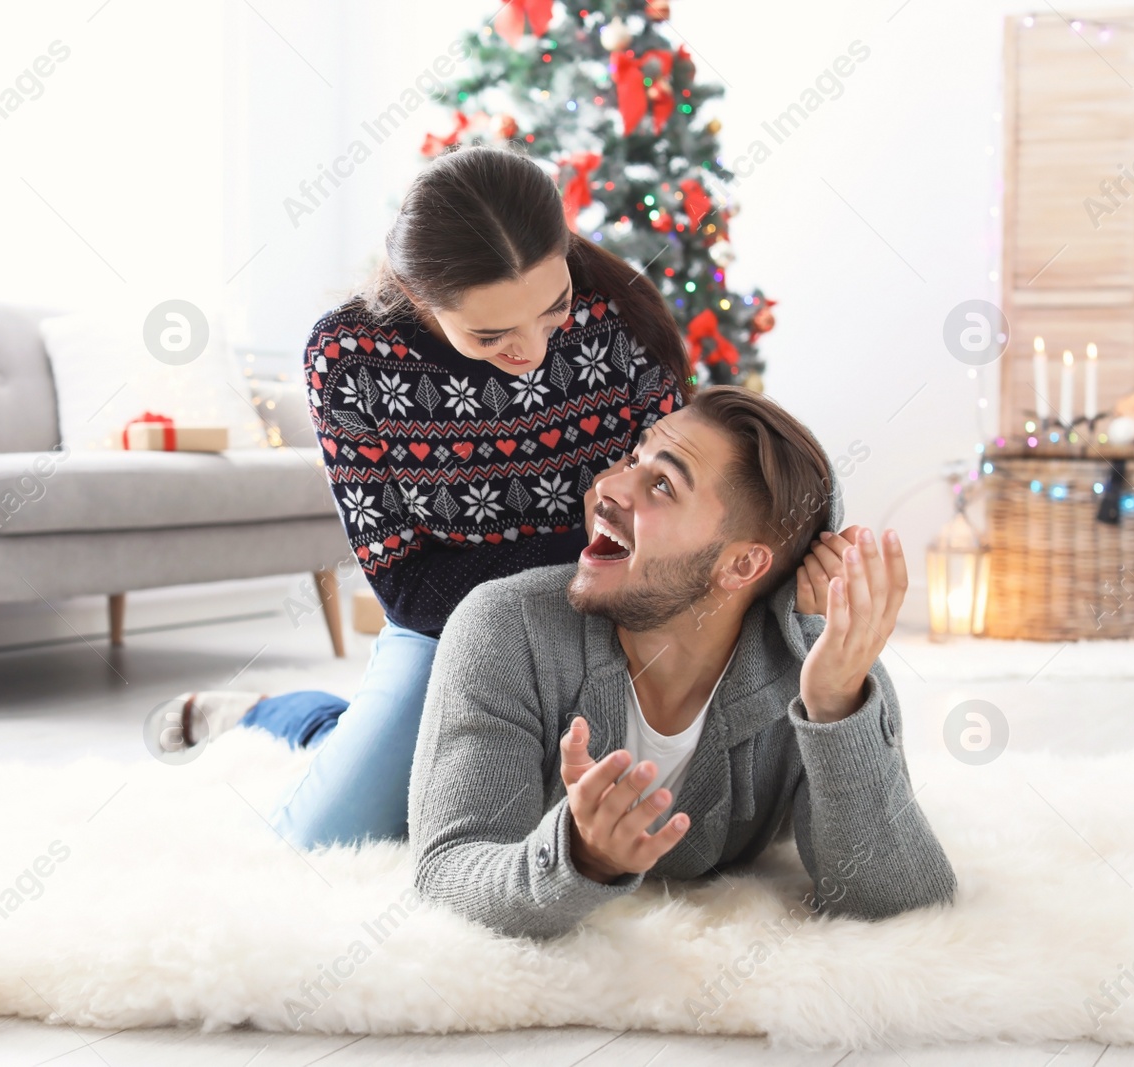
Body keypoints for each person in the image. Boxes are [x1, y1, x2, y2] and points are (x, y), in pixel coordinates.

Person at [170, 142, 689, 849]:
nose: (532, 350)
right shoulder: (348, 357)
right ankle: (297, 716)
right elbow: (404, 581)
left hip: (613, 615)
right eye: (491, 333)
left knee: (620, 817)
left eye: (553, 307)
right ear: (420, 297)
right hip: (446, 629)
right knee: (329, 837)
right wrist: (572, 558)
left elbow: (671, 525)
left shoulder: (624, 317)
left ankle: (374, 730)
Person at [407, 386, 958, 940]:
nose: (607, 488)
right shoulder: (504, 628)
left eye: (662, 485)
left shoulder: (819, 668)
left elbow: (902, 904)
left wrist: (837, 706)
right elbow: (444, 873)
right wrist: (582, 856)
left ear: (742, 564)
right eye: (632, 459)